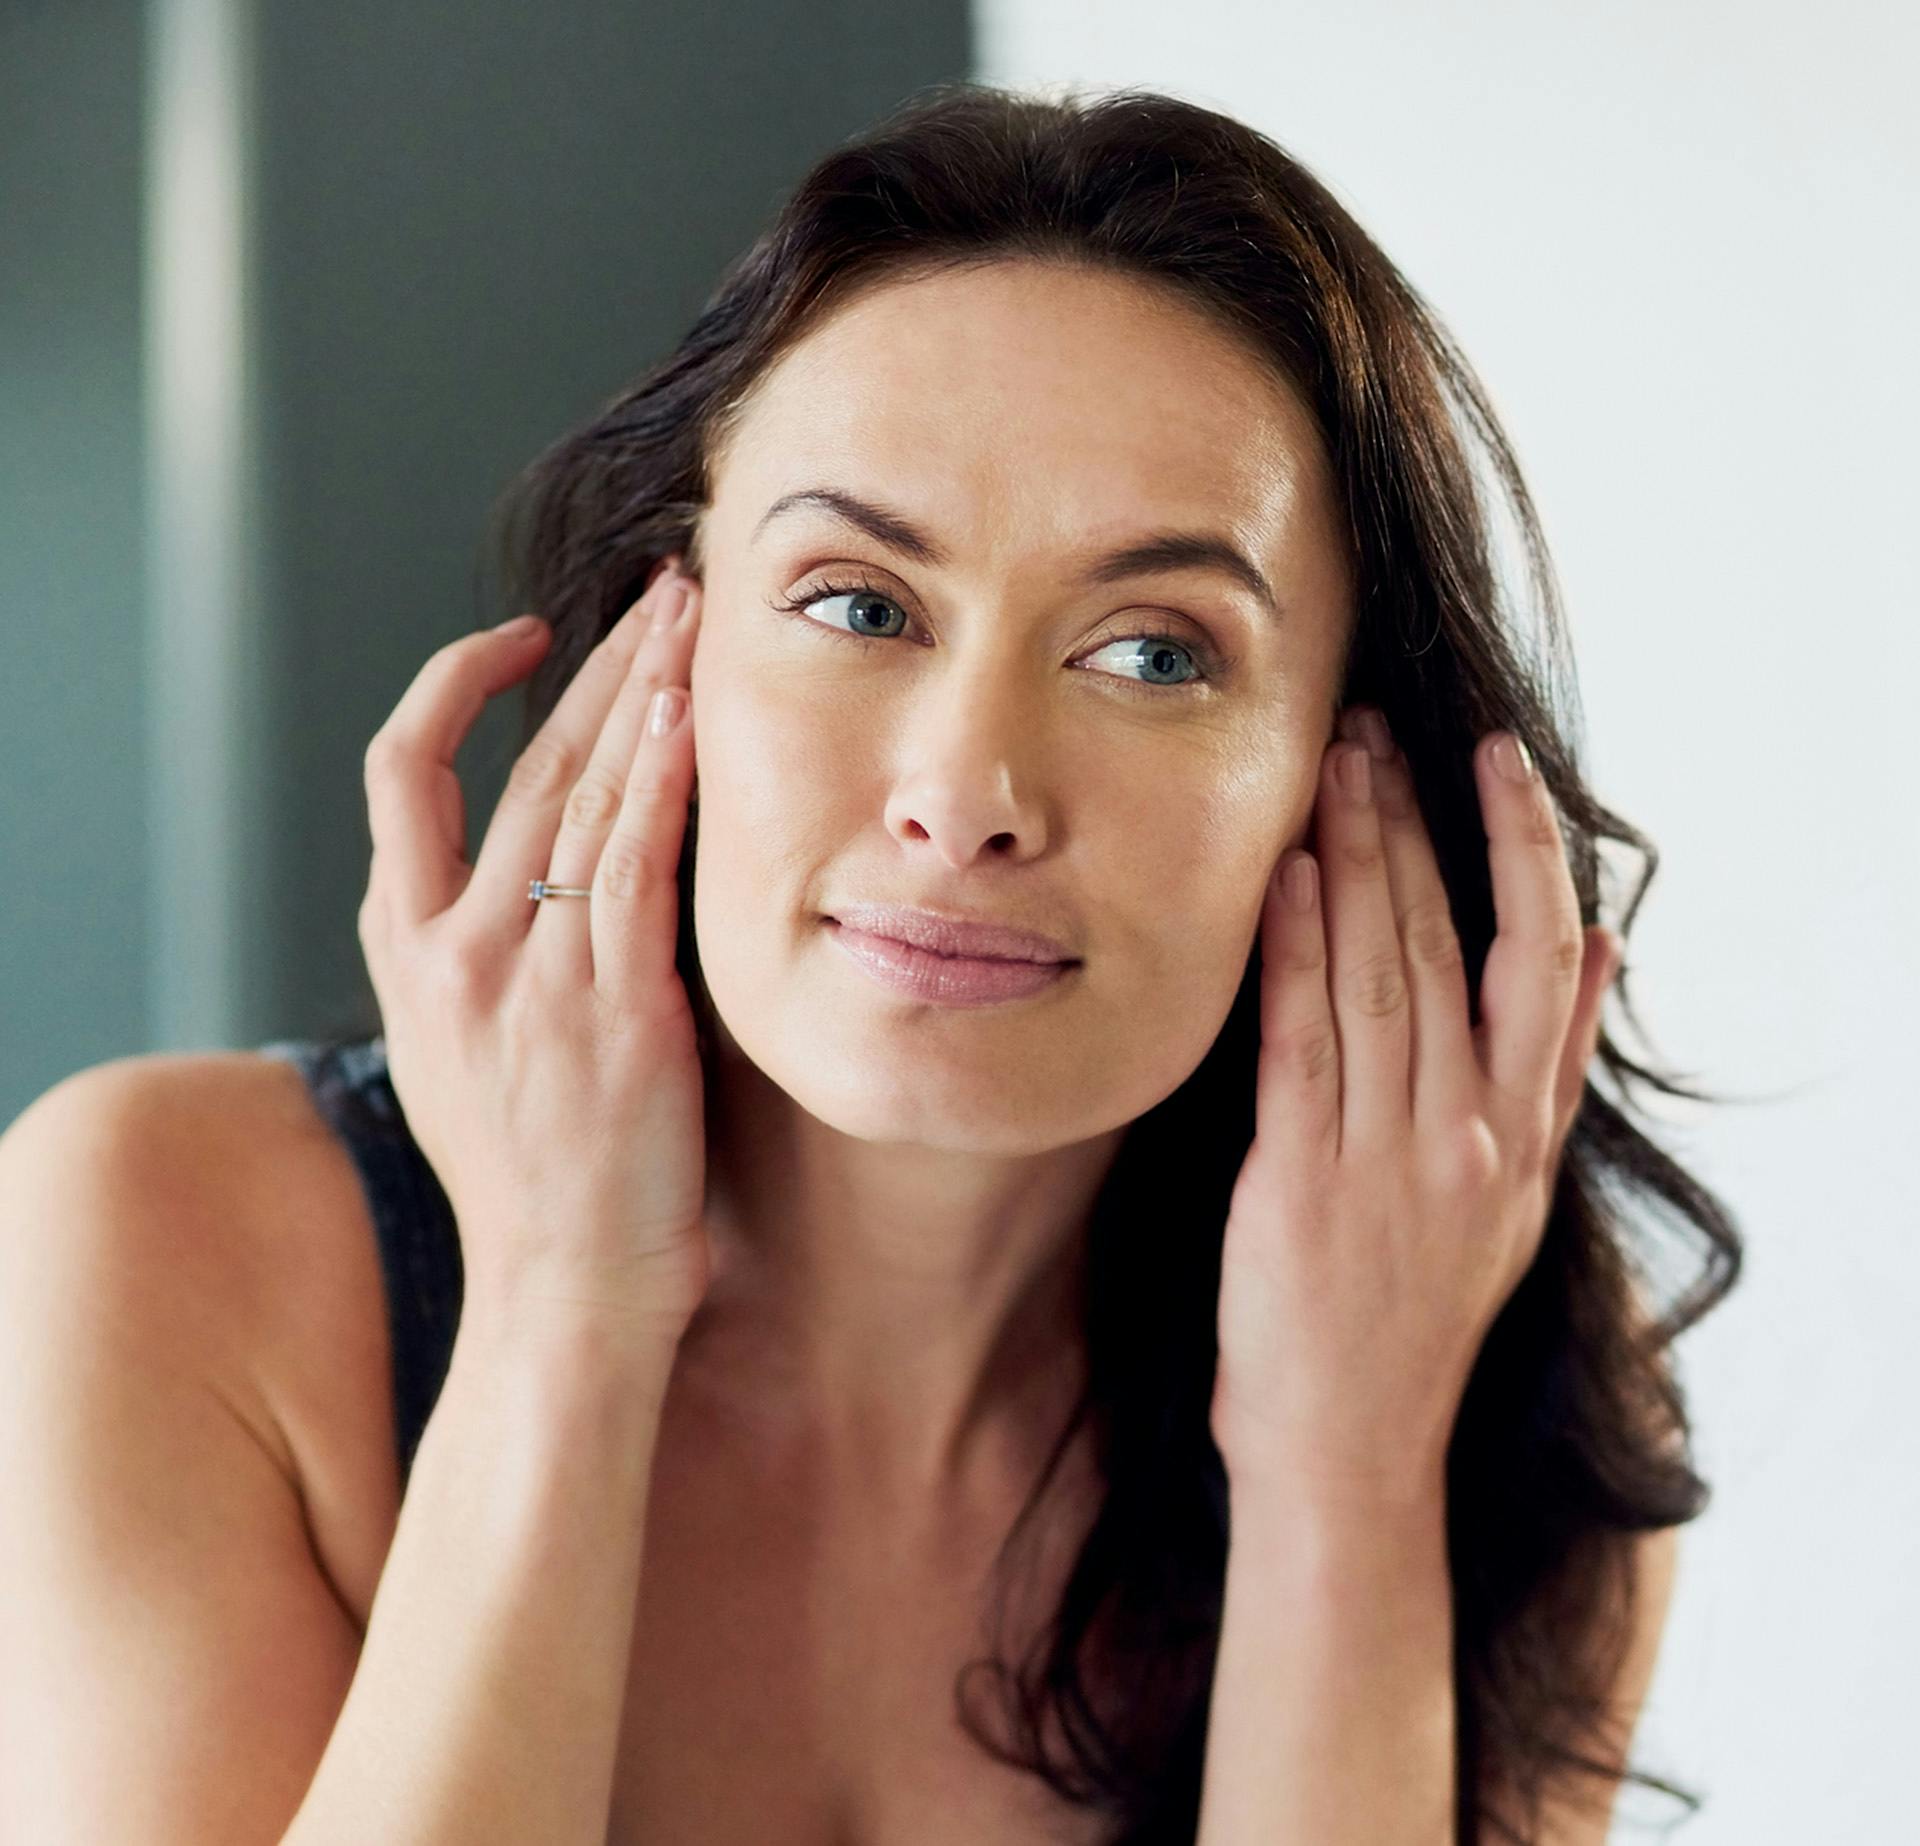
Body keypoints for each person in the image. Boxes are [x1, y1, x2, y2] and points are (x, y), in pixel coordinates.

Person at [0, 81, 1740, 1845]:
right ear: (665, 655)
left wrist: (1345, 1487)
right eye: (856, 604)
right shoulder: (158, 1240)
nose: (965, 796)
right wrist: (557, 1317)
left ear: (1336, 774)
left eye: (1153, 654)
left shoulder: (1507, 1402)